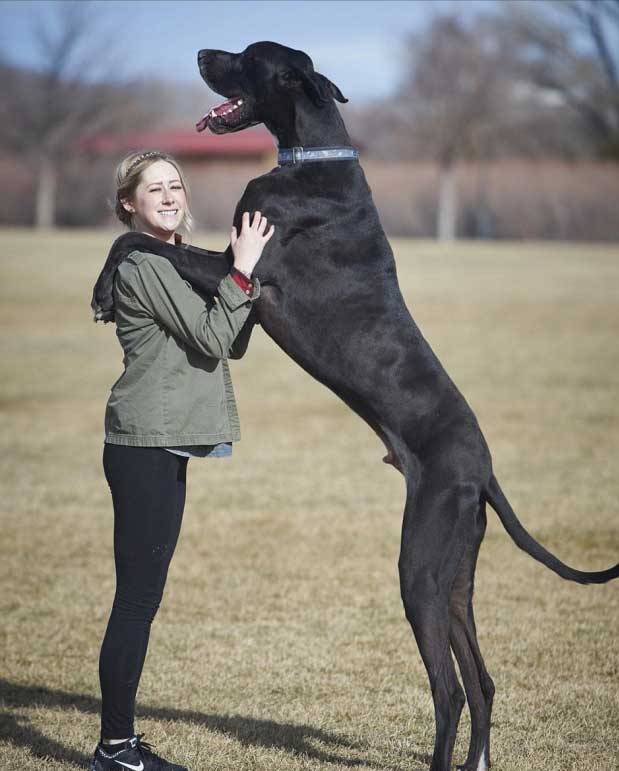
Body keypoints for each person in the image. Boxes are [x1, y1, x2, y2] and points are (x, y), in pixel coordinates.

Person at [90, 149, 274, 771]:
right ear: (128, 204)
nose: (169, 196)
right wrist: (242, 270)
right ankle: (114, 749)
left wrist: (237, 277)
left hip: (161, 442)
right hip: (143, 444)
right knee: (136, 601)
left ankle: (118, 744)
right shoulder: (144, 262)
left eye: (175, 186)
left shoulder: (174, 261)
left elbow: (231, 336)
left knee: (142, 597)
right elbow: (215, 335)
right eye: (154, 189)